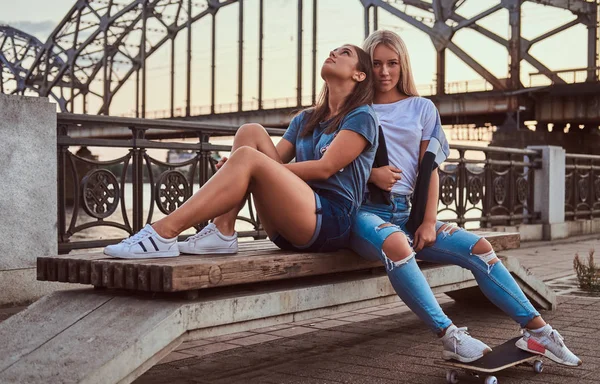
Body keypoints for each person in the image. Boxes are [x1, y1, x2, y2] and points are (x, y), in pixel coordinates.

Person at [349, 29, 582, 366]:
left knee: (481, 249)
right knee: (399, 247)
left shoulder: (422, 108)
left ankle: (538, 332)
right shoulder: (356, 110)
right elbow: (336, 164)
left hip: (407, 214)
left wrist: (429, 222)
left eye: (392, 63)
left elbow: (430, 168)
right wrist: (371, 174)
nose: (384, 72)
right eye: (376, 63)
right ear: (366, 67)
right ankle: (451, 337)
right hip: (364, 213)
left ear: (403, 66)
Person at [104, 44, 378, 261]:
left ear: (359, 74)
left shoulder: (361, 116)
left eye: (345, 53)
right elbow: (274, 160)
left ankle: (164, 232)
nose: (333, 53)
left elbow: (324, 168)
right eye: (335, 50)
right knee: (250, 132)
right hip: (289, 222)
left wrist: (248, 166)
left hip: (330, 223)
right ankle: (222, 230)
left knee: (248, 158)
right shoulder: (306, 119)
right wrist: (241, 166)